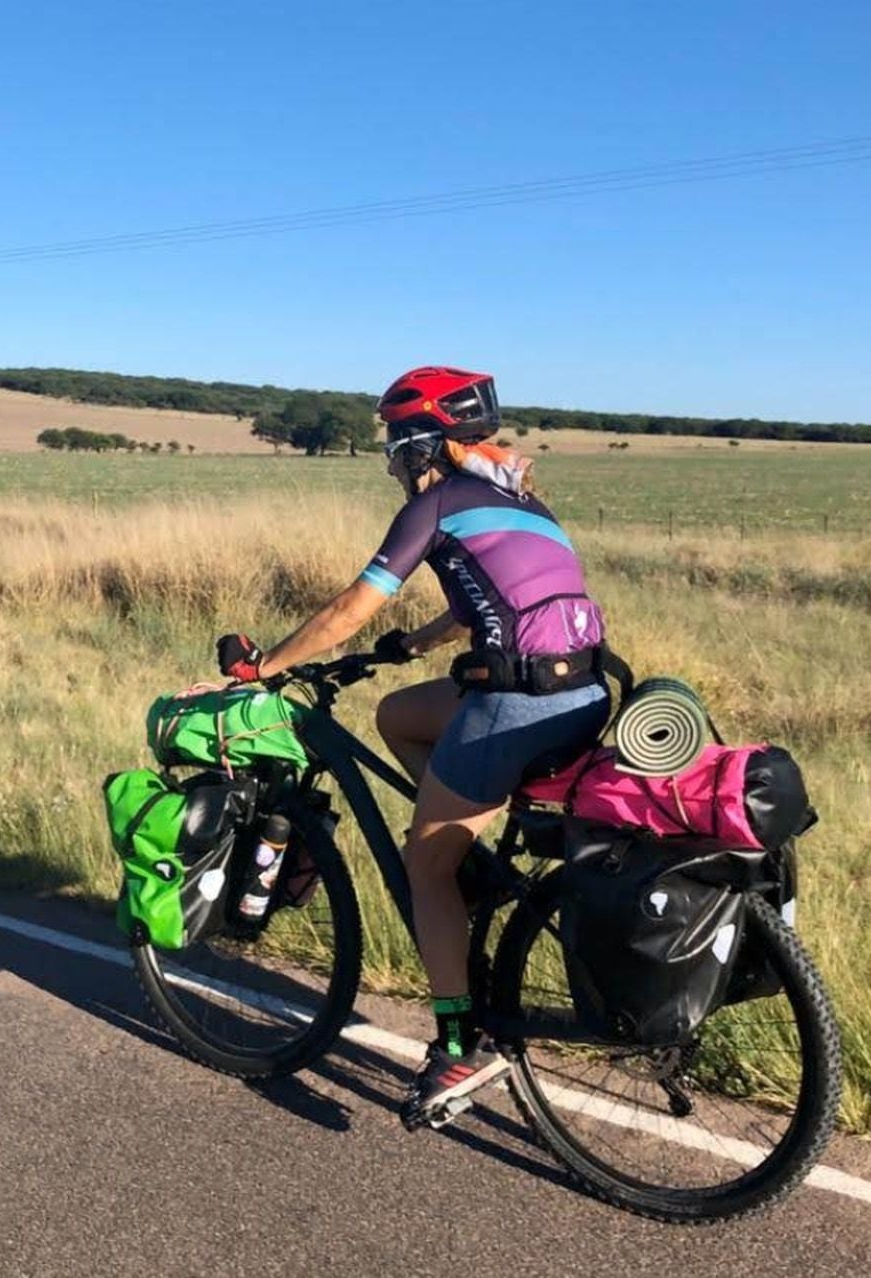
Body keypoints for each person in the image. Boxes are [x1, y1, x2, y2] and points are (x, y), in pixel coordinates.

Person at [215, 365, 613, 1127]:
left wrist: (262, 666)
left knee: (421, 865)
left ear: (425, 441)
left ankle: (460, 1043)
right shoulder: (516, 496)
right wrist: (410, 645)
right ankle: (472, 864)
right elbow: (480, 606)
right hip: (585, 695)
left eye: (398, 443)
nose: (394, 460)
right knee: (400, 715)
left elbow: (345, 609)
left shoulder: (436, 502)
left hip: (515, 705)